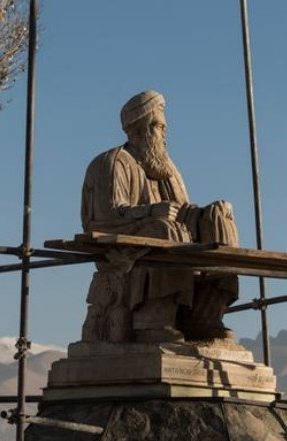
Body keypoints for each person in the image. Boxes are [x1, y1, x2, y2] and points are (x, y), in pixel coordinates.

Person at [80, 90, 239, 343]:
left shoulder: (168, 169)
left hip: (161, 229)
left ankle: (204, 317)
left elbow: (184, 210)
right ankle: (152, 320)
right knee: (164, 230)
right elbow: (105, 215)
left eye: (165, 128)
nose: (164, 134)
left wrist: (209, 212)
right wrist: (151, 211)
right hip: (124, 240)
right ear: (138, 130)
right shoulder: (112, 163)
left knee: (218, 221)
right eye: (158, 127)